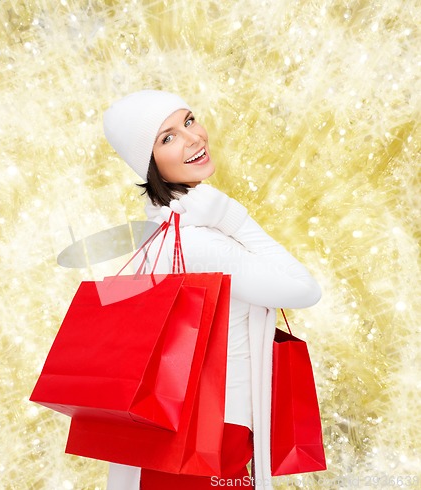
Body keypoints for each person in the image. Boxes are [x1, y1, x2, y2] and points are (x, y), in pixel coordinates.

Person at [102, 90, 322, 489]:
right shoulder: (200, 242)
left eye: (188, 121)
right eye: (166, 137)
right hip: (215, 428)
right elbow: (304, 289)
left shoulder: (158, 232)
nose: (192, 138)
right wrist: (232, 218)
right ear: (147, 163)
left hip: (170, 428)